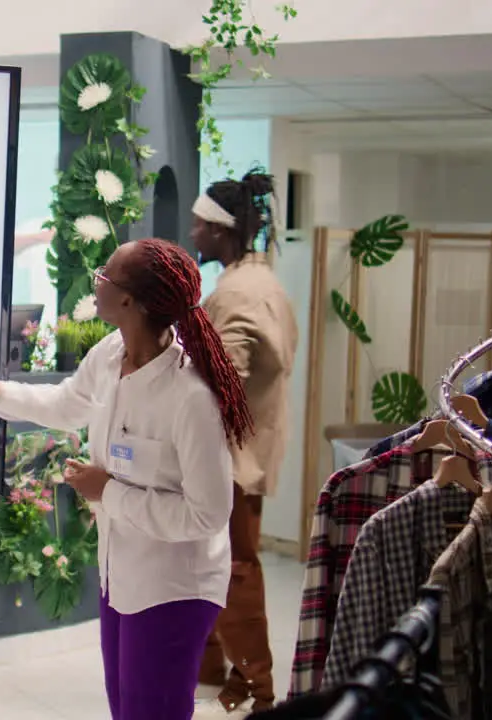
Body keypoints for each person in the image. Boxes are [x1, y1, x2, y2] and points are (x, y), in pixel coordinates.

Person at [0, 238, 253, 720]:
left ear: (130, 301)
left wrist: (107, 491)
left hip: (174, 587)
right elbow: (68, 405)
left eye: (105, 274)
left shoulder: (189, 398)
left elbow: (208, 513)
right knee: (126, 708)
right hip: (123, 575)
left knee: (151, 712)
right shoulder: (113, 353)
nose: (97, 280)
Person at [191, 171, 298, 719]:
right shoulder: (266, 283)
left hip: (229, 459)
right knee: (224, 566)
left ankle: (259, 688)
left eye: (199, 226)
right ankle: (215, 672)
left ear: (219, 229)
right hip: (253, 449)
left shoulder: (234, 292)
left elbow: (224, 380)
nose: (192, 233)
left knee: (230, 569)